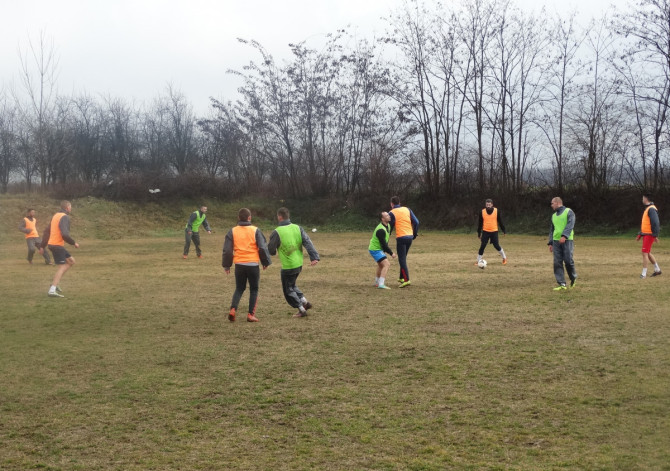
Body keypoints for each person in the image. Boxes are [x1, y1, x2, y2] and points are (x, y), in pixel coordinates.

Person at [267, 207, 320, 318]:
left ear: (279, 217)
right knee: (292, 285)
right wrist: (314, 257)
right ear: (288, 216)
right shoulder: (298, 228)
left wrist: (273, 251)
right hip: (298, 263)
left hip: (288, 266)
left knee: (288, 290)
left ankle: (301, 309)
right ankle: (305, 302)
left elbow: (271, 250)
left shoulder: (277, 232)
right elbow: (307, 242)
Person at [222, 208, 272, 322]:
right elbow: (262, 247)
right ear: (249, 218)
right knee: (254, 289)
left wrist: (227, 265)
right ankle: (250, 314)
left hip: (239, 264)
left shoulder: (233, 231)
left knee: (239, 288)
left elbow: (227, 250)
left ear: (238, 218)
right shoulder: (255, 230)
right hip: (253, 264)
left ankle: (233, 309)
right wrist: (265, 262)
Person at [40, 200, 79, 298]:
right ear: (67, 208)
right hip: (56, 245)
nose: (71, 209)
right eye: (70, 207)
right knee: (62, 267)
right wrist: (73, 243)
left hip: (54, 244)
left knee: (71, 261)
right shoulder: (64, 217)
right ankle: (52, 290)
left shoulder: (55, 216)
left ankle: (55, 284)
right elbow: (65, 234)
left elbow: (47, 231)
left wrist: (42, 245)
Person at [389, 196, 419, 288]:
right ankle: (401, 277)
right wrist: (414, 234)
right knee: (403, 258)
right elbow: (416, 222)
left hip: (401, 237)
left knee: (402, 259)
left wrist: (387, 236)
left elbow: (390, 227)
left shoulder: (392, 212)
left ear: (391, 204)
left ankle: (406, 280)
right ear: (400, 203)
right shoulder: (407, 209)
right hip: (409, 236)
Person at [548, 197, 577, 290]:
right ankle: (562, 283)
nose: (551, 205)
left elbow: (570, 224)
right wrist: (550, 242)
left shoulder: (569, 212)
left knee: (568, 261)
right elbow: (552, 230)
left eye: (552, 203)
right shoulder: (553, 216)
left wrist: (564, 236)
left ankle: (573, 278)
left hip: (567, 240)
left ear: (557, 203)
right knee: (557, 262)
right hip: (556, 241)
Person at [368, 211, 396, 289]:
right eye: (387, 216)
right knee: (387, 264)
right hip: (375, 249)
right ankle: (381, 284)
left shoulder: (388, 225)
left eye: (388, 215)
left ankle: (377, 282)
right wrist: (391, 253)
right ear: (382, 219)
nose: (389, 216)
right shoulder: (381, 230)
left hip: (377, 248)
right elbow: (384, 245)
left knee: (381, 265)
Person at [637, 193, 661, 278]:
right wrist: (640, 234)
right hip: (647, 234)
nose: (642, 199)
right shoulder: (648, 208)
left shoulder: (651, 209)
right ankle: (657, 270)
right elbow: (646, 224)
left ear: (646, 199)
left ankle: (643, 274)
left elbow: (655, 223)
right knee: (647, 252)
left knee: (644, 253)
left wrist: (655, 235)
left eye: (643, 198)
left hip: (649, 235)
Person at [476, 199, 507, 265]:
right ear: (485, 205)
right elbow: (480, 223)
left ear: (492, 205)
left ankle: (504, 258)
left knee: (496, 246)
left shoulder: (496, 211)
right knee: (482, 246)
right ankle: (478, 260)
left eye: (489, 205)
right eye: (487, 205)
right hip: (485, 231)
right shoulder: (482, 212)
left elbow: (500, 221)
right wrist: (479, 233)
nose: (488, 206)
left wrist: (503, 230)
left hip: (494, 231)